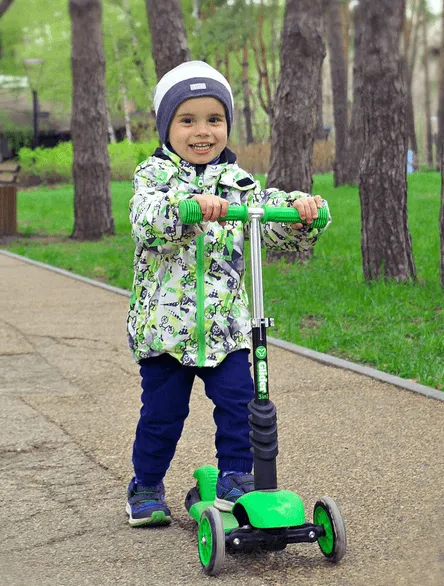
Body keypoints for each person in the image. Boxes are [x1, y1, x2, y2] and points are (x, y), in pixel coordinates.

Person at [126, 60, 331, 527]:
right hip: (166, 330)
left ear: (227, 126)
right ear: (166, 127)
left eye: (214, 120)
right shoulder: (153, 178)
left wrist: (301, 212)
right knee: (163, 414)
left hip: (228, 329)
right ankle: (145, 484)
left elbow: (268, 217)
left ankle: (237, 477)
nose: (203, 131)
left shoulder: (239, 183)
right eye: (188, 120)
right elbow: (146, 218)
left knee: (242, 405)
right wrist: (189, 208)